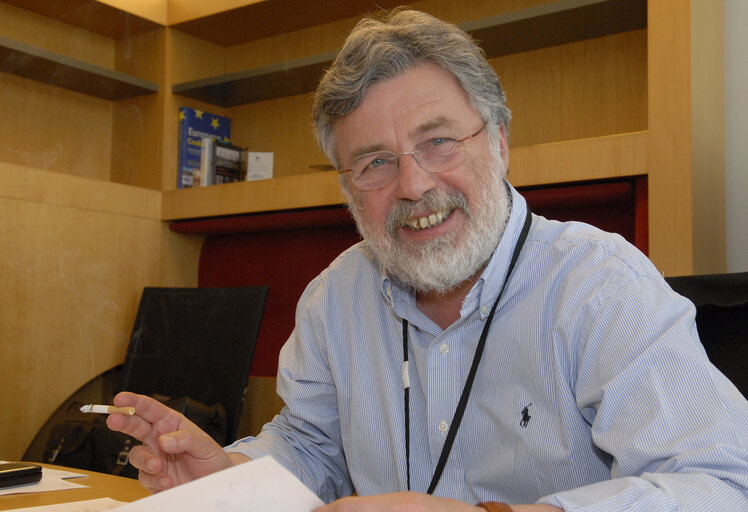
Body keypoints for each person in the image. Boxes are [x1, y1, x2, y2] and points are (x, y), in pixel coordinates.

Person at [108, 9, 748, 511]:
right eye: (375, 162)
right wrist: (230, 476)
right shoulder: (334, 299)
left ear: (498, 141)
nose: (413, 186)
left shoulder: (600, 285)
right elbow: (311, 446)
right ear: (348, 187)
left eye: (437, 141)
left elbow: (722, 485)